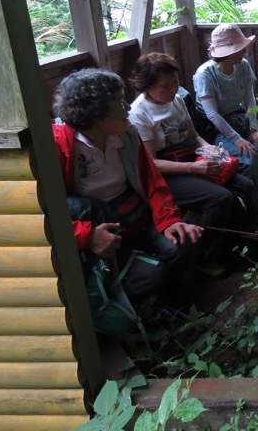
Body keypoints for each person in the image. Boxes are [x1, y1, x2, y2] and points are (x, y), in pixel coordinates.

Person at [52, 68, 203, 306]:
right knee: (150, 275)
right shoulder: (59, 146)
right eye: (119, 101)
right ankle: (144, 316)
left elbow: (152, 181)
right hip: (99, 225)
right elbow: (43, 213)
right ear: (97, 112)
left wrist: (170, 220)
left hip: (135, 215)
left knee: (182, 242)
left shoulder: (126, 134)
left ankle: (179, 307)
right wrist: (85, 236)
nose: (129, 108)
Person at [128, 53, 258, 273]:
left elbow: (194, 136)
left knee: (243, 185)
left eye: (175, 82)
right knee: (220, 197)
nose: (173, 89)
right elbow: (151, 164)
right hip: (167, 174)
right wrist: (193, 167)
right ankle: (204, 256)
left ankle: (244, 243)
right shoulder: (139, 114)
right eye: (165, 86)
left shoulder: (178, 100)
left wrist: (208, 147)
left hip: (192, 159)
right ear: (146, 87)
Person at [193, 23, 258, 220]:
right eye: (239, 48)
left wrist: (252, 130)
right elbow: (212, 115)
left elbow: (250, 99)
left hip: (240, 122)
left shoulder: (242, 66)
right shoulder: (205, 75)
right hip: (217, 130)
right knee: (249, 157)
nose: (244, 51)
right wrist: (237, 139)